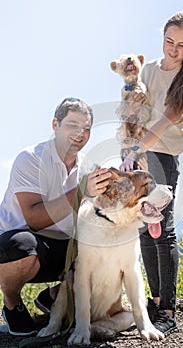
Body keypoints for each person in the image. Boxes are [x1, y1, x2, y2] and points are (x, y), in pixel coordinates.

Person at [120, 11, 183, 336]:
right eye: (169, 41)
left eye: (181, 45)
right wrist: (129, 148)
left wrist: (140, 148)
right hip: (135, 151)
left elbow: (168, 116)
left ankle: (168, 309)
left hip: (163, 154)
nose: (173, 49)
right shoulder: (149, 69)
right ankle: (152, 305)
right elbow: (134, 108)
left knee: (161, 228)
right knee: (143, 227)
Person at [0, 97, 112, 336]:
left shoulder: (88, 167)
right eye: (72, 125)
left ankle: (52, 297)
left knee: (103, 246)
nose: (80, 133)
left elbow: (106, 209)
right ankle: (12, 305)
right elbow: (34, 220)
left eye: (86, 128)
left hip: (63, 247)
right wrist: (82, 190)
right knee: (20, 246)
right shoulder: (30, 158)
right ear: (55, 124)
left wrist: (126, 173)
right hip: (19, 246)